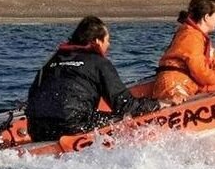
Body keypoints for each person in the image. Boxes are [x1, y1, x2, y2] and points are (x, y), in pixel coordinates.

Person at [25, 16, 163, 142]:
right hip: (73, 126)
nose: (108, 45)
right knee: (125, 119)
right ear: (97, 41)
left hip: (37, 130)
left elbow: (33, 96)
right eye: (107, 40)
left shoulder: (51, 61)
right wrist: (158, 104)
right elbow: (124, 105)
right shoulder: (98, 63)